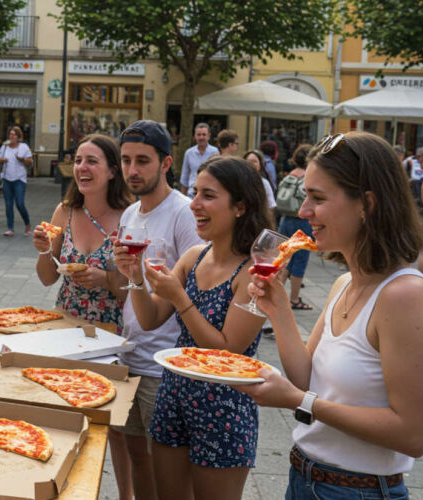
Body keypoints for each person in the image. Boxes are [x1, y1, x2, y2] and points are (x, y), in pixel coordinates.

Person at [238, 132, 423, 500]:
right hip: (304, 478)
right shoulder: (343, 283)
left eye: (318, 198)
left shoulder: (405, 295)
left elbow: (412, 435)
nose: (303, 211)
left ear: (366, 204)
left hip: (358, 492)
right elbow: (307, 379)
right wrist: (279, 309)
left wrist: (299, 401)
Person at [116, 156, 271, 500]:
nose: (194, 204)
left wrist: (180, 298)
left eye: (208, 195)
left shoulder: (255, 272)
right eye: (195, 192)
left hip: (223, 409)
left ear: (240, 207)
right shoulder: (193, 257)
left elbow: (226, 351)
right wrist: (135, 277)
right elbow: (150, 319)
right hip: (174, 396)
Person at [103, 121, 202, 500]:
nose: (132, 170)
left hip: (165, 364)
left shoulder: (183, 213)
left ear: (166, 163)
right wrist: (118, 272)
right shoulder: (130, 214)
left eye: (142, 161)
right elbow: (129, 288)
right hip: (130, 354)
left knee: (168, 470)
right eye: (126, 160)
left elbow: (198, 284)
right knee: (136, 457)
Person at [32, 133, 130, 327]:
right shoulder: (64, 211)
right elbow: (47, 279)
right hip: (66, 323)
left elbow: (135, 290)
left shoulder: (129, 216)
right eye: (78, 161)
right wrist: (44, 251)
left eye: (91, 161)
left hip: (112, 327)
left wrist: (105, 278)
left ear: (112, 171)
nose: (81, 167)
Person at [276, 144, 314, 310]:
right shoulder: (308, 177)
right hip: (301, 221)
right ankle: (294, 299)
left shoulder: (289, 176)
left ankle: (277, 294)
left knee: (285, 259)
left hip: (285, 219)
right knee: (300, 259)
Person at [0, 125, 33, 236]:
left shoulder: (23, 147)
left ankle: (27, 224)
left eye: (14, 135)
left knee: (20, 203)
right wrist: (2, 160)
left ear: (18, 137)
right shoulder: (5, 147)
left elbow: (30, 162)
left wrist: (22, 159)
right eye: (10, 134)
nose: (11, 137)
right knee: (8, 204)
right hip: (7, 178)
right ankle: (10, 228)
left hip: (19, 179)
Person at [179, 123, 218, 196]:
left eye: (204, 134)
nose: (201, 137)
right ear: (195, 136)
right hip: (191, 194)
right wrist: (183, 197)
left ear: (209, 136)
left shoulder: (215, 152)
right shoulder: (189, 153)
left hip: (208, 194)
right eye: (199, 135)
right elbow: (185, 177)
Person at [244, 149, 277, 213]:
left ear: (260, 165)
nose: (251, 164)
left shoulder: (264, 183)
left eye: (254, 161)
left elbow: (271, 205)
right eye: (248, 161)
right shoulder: (238, 180)